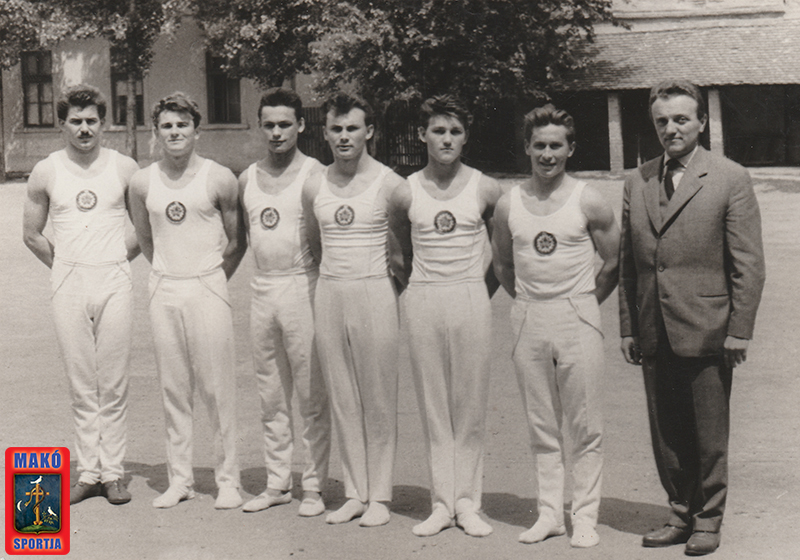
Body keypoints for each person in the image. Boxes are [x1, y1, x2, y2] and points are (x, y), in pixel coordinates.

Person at [619, 80, 765, 556]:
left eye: (681, 119)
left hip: (708, 327)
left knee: (708, 433)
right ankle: (680, 512)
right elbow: (628, 264)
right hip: (652, 326)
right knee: (666, 430)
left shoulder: (729, 178)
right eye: (662, 121)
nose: (671, 129)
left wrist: (739, 329)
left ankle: (708, 518)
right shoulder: (637, 180)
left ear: (701, 121)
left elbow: (748, 264)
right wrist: (628, 327)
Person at [493, 104, 619, 548]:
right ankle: (549, 514)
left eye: (556, 146)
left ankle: (584, 516)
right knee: (541, 424)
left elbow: (612, 262)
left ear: (570, 149)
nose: (548, 154)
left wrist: (582, 304)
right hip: (529, 315)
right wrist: (532, 303)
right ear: (527, 148)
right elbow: (503, 265)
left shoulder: (588, 199)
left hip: (577, 314)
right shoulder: (508, 203)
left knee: (585, 426)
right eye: (539, 145)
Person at [388, 95, 501, 537]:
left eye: (455, 131)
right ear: (422, 135)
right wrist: (422, 290)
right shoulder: (405, 190)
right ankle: (440, 503)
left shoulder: (485, 188)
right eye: (438, 131)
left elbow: (502, 258)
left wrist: (475, 292)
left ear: (466, 137)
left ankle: (468, 503)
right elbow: (399, 256)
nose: (447, 139)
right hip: (424, 298)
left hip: (471, 295)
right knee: (434, 405)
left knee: (469, 405)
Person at [23, 85, 140, 506]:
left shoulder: (124, 167)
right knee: (81, 382)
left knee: (113, 381)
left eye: (92, 120)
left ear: (103, 123)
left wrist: (114, 259)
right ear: (62, 124)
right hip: (68, 280)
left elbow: (143, 228)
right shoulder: (46, 171)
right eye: (76, 121)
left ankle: (113, 473)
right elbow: (31, 234)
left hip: (113, 279)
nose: (85, 128)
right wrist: (67, 266)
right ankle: (89, 472)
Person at [128, 92, 246, 510]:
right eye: (167, 126)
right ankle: (180, 479)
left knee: (217, 389)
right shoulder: (142, 182)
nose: (175, 132)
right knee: (173, 389)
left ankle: (228, 480)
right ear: (156, 132)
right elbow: (146, 239)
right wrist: (170, 273)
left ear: (197, 130)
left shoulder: (219, 178)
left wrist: (210, 280)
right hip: (165, 287)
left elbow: (236, 242)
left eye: (182, 125)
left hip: (207, 285)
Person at [302, 92, 405, 527]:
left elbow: (402, 254)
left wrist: (381, 291)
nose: (344, 136)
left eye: (352, 128)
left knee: (377, 398)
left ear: (369, 132)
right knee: (342, 396)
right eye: (336, 129)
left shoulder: (390, 184)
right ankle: (354, 492)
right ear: (325, 134)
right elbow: (315, 244)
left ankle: (380, 495)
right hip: (330, 291)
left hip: (374, 289)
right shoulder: (314, 184)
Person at [238, 88, 330, 517]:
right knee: (271, 395)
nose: (276, 133)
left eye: (285, 124)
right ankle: (277, 483)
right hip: (263, 289)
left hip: (301, 286)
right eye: (269, 125)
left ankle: (313, 485)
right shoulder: (247, 178)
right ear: (260, 126)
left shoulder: (316, 175)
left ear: (301, 126)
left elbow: (323, 244)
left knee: (311, 395)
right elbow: (245, 238)